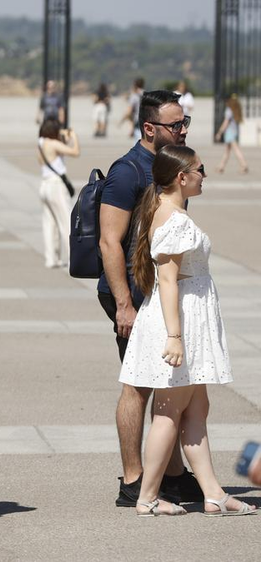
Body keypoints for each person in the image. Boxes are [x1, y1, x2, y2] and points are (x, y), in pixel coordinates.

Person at [123, 145, 255, 517]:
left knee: (196, 408)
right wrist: (175, 337)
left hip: (188, 317)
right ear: (182, 177)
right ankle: (147, 497)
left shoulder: (166, 209)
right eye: (200, 169)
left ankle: (212, 492)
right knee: (169, 410)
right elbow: (167, 280)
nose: (204, 175)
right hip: (181, 320)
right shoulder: (176, 219)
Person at [98, 89, 202, 509]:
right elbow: (109, 242)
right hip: (133, 297)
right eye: (174, 125)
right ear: (149, 129)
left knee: (170, 386)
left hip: (160, 296)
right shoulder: (128, 172)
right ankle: (133, 479)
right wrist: (124, 303)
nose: (181, 130)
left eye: (184, 123)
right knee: (137, 387)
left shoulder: (169, 165)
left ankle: (172, 475)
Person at [37, 118, 80, 268]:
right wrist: (74, 136)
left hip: (44, 184)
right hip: (56, 185)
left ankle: (51, 258)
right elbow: (75, 152)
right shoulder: (54, 144)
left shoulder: (41, 143)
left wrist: (63, 135)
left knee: (49, 223)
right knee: (66, 222)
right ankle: (72, 259)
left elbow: (61, 147)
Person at [215, 94, 248, 174]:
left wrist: (220, 132)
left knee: (235, 149)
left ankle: (244, 165)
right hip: (234, 131)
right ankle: (221, 167)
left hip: (229, 132)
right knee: (227, 150)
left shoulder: (229, 110)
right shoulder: (235, 110)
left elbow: (226, 122)